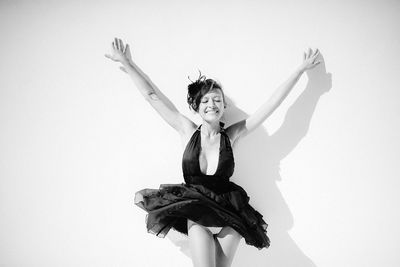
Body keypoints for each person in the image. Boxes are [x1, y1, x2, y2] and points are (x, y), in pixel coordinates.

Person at [105, 38, 320, 267]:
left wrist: (299, 71)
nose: (212, 104)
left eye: (217, 99)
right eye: (205, 100)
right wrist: (128, 64)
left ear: (223, 106)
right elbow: (153, 96)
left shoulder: (233, 134)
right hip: (197, 213)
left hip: (231, 216)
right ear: (196, 107)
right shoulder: (186, 130)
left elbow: (270, 106)